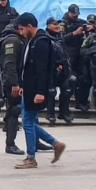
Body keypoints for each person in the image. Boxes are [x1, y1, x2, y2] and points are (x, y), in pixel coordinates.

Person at [14, 13, 67, 169]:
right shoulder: (31, 41)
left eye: (22, 29)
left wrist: (40, 92)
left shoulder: (41, 42)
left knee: (28, 123)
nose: (21, 32)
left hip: (36, 90)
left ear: (30, 26)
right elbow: (27, 67)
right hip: (28, 88)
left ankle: (31, 157)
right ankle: (55, 144)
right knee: (27, 122)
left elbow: (43, 70)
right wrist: (22, 84)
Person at [0, 22, 24, 154]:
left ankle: (8, 127)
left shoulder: (19, 41)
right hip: (1, 76)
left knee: (13, 108)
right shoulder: (8, 41)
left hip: (9, 77)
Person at [61, 4, 89, 113]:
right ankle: (65, 108)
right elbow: (61, 38)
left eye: (76, 15)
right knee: (70, 80)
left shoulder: (80, 22)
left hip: (80, 54)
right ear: (68, 13)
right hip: (68, 54)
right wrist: (74, 33)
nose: (75, 17)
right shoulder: (63, 23)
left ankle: (80, 102)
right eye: (73, 14)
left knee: (82, 79)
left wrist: (91, 27)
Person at [45, 18, 73, 125]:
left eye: (58, 24)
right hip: (51, 68)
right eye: (54, 24)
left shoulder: (61, 38)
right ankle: (50, 114)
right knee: (51, 91)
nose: (57, 26)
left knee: (67, 89)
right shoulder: (45, 38)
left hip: (64, 68)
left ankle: (64, 112)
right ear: (48, 25)